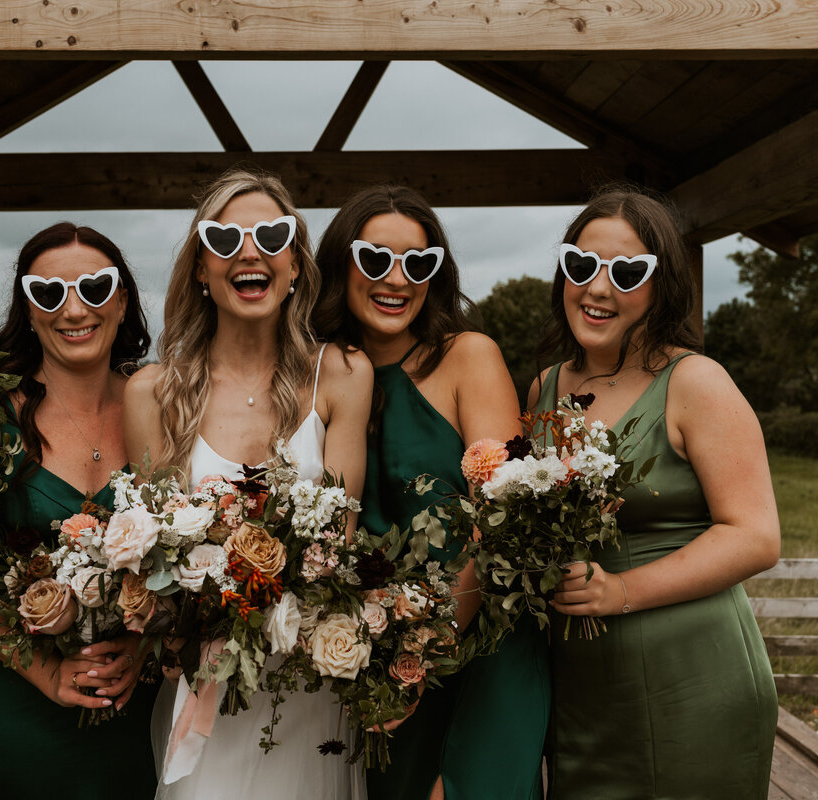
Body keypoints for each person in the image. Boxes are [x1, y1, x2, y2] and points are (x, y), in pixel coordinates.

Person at [124, 168, 374, 800]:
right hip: (208, 680)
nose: (250, 251)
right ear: (201, 270)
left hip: (308, 682)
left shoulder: (341, 374)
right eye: (225, 239)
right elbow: (153, 548)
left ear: (295, 265)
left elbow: (340, 539)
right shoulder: (154, 391)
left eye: (271, 234)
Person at [533, 188, 779, 798]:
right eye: (582, 265)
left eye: (627, 272)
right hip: (583, 691)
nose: (598, 288)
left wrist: (620, 591)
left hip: (691, 679)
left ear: (661, 283)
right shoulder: (543, 388)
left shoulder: (695, 381)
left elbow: (755, 537)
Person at [312, 185, 549, 800]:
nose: (397, 278)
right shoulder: (316, 372)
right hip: (370, 659)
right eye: (375, 259)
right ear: (341, 263)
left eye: (418, 263)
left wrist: (426, 648)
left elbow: (505, 519)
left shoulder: (468, 357)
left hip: (480, 646)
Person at [0, 222, 158, 798]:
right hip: (19, 701)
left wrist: (142, 647)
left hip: (136, 703)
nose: (72, 309)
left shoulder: (159, 405)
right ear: (28, 311)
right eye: (48, 293)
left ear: (122, 300)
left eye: (93, 288)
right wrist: (48, 674)